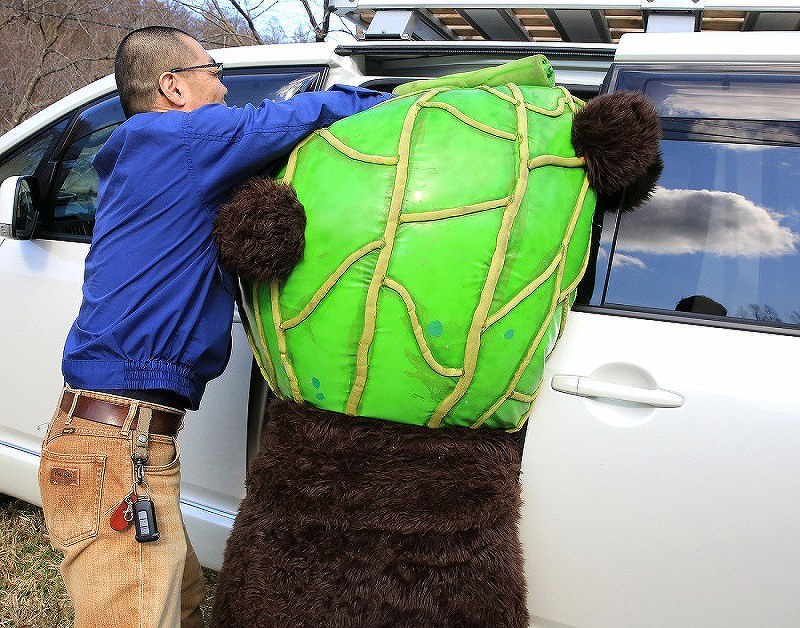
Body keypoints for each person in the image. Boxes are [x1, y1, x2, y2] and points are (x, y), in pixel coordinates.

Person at [37, 25, 390, 627]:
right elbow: (295, 118)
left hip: (128, 446)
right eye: (213, 70)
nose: (223, 88)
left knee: (185, 605)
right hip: (117, 451)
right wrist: (394, 97)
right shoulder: (177, 140)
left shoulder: (153, 156)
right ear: (173, 87)